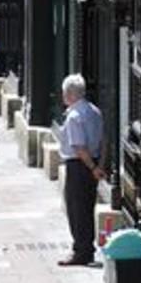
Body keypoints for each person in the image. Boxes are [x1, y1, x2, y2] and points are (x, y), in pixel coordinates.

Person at [56, 74, 106, 267]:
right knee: (87, 206)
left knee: (76, 209)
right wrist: (99, 166)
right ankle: (86, 248)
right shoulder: (94, 111)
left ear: (69, 94)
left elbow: (79, 147)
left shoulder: (74, 116)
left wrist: (92, 167)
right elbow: (104, 141)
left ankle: (82, 250)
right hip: (93, 163)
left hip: (79, 165)